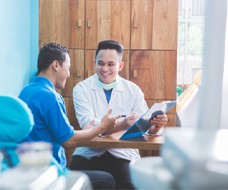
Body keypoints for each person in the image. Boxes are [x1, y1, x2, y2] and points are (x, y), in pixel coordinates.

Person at [18, 42, 121, 189]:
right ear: (56, 65)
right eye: (68, 67)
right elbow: (69, 141)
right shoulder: (50, 97)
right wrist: (102, 127)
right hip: (50, 173)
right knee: (107, 180)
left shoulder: (27, 91)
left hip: (29, 169)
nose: (69, 74)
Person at [69, 40, 168, 189]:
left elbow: (145, 127)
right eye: (101, 63)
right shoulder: (81, 89)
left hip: (123, 155)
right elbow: (88, 126)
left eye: (111, 64)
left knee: (128, 185)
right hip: (87, 154)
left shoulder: (133, 90)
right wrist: (122, 125)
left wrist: (155, 126)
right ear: (94, 62)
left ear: (120, 66)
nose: (105, 69)